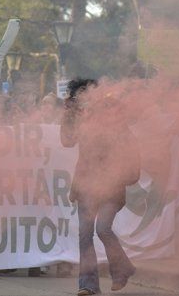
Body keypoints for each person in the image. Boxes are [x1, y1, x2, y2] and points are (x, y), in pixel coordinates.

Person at [61, 79, 138, 296]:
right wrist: (68, 114)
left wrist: (126, 175)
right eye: (79, 95)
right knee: (85, 235)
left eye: (86, 93)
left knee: (103, 228)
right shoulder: (79, 119)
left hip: (111, 187)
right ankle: (88, 284)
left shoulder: (111, 112)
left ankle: (122, 268)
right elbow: (67, 141)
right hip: (86, 187)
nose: (83, 98)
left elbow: (130, 145)